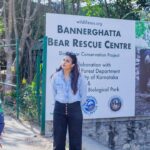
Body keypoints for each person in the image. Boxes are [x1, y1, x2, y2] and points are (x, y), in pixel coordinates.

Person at [51, 52, 87, 150]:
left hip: (75, 109)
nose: (64, 62)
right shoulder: (56, 76)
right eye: (63, 60)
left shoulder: (80, 77)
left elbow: (83, 95)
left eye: (67, 61)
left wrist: (75, 105)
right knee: (58, 139)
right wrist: (61, 102)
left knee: (75, 140)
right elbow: (54, 93)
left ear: (72, 65)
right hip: (59, 109)